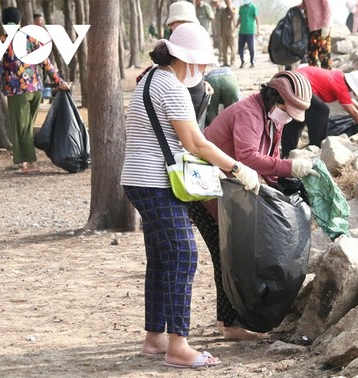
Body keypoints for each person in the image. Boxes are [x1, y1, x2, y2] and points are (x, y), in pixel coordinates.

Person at [120, 22, 260, 369]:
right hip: (154, 182)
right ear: (190, 60)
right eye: (202, 64)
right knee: (184, 254)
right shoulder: (172, 87)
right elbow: (195, 143)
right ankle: (178, 346)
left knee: (161, 257)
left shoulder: (150, 78)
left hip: (136, 179)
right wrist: (237, 169)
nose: (204, 71)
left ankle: (155, 338)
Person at [187, 70, 318, 340]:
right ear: (275, 98)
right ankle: (229, 324)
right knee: (224, 254)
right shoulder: (248, 113)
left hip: (230, 192)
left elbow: (270, 160)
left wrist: (283, 186)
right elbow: (248, 156)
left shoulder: (273, 119)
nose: (288, 116)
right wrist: (290, 167)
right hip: (205, 190)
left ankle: (234, 319)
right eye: (288, 109)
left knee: (237, 252)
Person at [0, 7, 70, 174]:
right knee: (26, 128)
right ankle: (23, 162)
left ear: (4, 22)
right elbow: (46, 63)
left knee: (22, 129)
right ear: (19, 22)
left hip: (18, 93)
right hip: (35, 90)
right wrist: (59, 81)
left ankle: (33, 164)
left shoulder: (1, 42)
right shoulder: (31, 39)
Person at [138, 1, 214, 128]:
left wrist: (205, 81)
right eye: (180, 23)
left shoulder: (197, 43)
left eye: (187, 24)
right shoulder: (166, 53)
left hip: (195, 100)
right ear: (170, 26)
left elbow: (199, 72)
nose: (184, 27)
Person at [281, 66, 358, 158]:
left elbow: (348, 100)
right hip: (300, 84)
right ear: (351, 86)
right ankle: (317, 147)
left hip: (292, 81)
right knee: (322, 111)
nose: (353, 94)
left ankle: (286, 154)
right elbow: (354, 113)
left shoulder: (339, 76)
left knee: (296, 119)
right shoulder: (341, 86)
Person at [301, 0, 332, 69]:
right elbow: (304, 5)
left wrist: (326, 25)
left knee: (324, 56)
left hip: (322, 27)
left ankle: (326, 78)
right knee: (311, 56)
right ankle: (315, 77)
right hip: (310, 27)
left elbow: (328, 7)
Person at [236, 0, 259, 68]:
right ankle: (242, 62)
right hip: (242, 31)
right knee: (240, 48)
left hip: (250, 31)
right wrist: (236, 26)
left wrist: (258, 29)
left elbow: (256, 18)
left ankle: (252, 62)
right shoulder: (241, 8)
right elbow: (240, 18)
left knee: (251, 47)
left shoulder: (253, 7)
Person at [218, 0, 237, 67]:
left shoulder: (233, 8)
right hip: (224, 33)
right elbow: (221, 21)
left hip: (231, 33)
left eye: (228, 1)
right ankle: (225, 62)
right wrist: (221, 31)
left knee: (233, 48)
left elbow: (233, 14)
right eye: (226, 1)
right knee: (224, 49)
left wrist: (230, 6)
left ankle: (232, 61)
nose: (227, 2)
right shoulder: (223, 10)